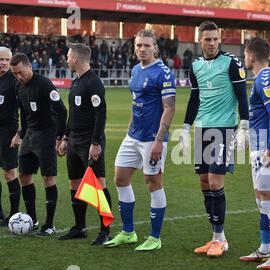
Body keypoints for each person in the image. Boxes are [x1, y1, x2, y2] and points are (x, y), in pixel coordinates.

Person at [103, 29, 176, 251]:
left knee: (153, 183)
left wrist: (158, 140)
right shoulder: (135, 70)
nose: (142, 49)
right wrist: (128, 132)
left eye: (146, 45)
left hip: (152, 139)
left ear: (155, 48)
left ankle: (155, 237)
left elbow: (169, 108)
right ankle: (128, 232)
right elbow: (136, 105)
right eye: (138, 45)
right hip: (133, 136)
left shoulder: (163, 73)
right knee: (120, 178)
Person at [181, 21, 249, 257]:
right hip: (203, 128)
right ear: (200, 41)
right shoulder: (196, 66)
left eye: (215, 39)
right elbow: (194, 99)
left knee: (215, 182)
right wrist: (185, 128)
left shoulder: (231, 63)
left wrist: (244, 127)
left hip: (224, 129)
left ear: (219, 40)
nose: (212, 43)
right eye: (207, 39)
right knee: (203, 183)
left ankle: (220, 238)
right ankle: (215, 237)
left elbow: (242, 96)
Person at [239, 38, 270, 269]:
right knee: (261, 200)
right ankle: (265, 249)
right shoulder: (266, 77)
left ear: (251, 56)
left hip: (268, 149)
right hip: (261, 146)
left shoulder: (266, 79)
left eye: (245, 55)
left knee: (269, 201)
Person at [57, 43, 113, 245]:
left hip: (90, 141)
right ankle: (79, 227)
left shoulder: (93, 83)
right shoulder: (75, 82)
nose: (66, 59)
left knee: (98, 184)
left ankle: (105, 231)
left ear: (75, 59)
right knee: (75, 182)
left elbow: (101, 113)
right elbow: (72, 114)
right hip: (74, 141)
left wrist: (96, 142)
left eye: (68, 57)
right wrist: (65, 138)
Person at [10, 53, 67, 237]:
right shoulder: (19, 87)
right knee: (24, 176)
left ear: (29, 67)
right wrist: (20, 134)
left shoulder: (44, 84)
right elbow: (24, 116)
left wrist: (59, 137)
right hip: (29, 136)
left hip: (46, 135)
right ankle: (32, 220)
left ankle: (49, 225)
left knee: (47, 178)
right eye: (14, 74)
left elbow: (61, 110)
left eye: (20, 72)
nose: (18, 76)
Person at [0, 47, 21, 225]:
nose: (4, 63)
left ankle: (14, 214)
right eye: (1, 59)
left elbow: (25, 106)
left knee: (10, 173)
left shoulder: (14, 81)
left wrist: (19, 133)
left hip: (8, 132)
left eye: (7, 60)